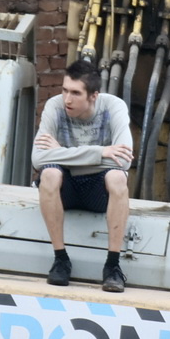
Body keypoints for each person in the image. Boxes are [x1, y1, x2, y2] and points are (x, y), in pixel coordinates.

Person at [32, 59, 133, 292]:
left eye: (76, 93)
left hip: (98, 192)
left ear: (93, 96)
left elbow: (124, 160)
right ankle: (60, 260)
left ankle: (112, 267)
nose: (67, 99)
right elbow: (38, 159)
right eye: (65, 90)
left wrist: (60, 154)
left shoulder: (113, 107)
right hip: (65, 189)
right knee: (49, 174)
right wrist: (100, 153)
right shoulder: (54, 106)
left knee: (117, 177)